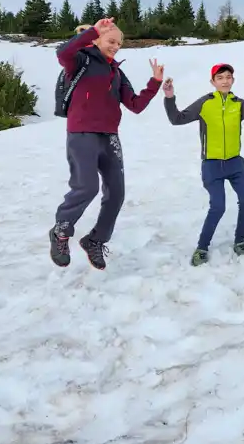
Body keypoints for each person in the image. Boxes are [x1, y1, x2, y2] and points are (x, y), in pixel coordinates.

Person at [49, 17, 164, 269]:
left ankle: (95, 240)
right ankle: (61, 230)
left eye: (119, 43)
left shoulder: (116, 73)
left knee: (116, 194)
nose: (115, 46)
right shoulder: (79, 59)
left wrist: (154, 83)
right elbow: (62, 52)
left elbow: (135, 105)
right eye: (111, 41)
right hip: (82, 134)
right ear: (97, 38)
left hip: (110, 136)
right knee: (86, 187)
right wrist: (92, 30)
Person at [163, 63, 244, 266]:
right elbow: (177, 119)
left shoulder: (237, 103)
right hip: (212, 164)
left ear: (233, 80)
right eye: (220, 78)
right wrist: (169, 97)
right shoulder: (205, 103)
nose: (225, 81)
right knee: (218, 206)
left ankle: (240, 241)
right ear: (213, 82)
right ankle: (202, 247)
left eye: (228, 77)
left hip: (235, 163)